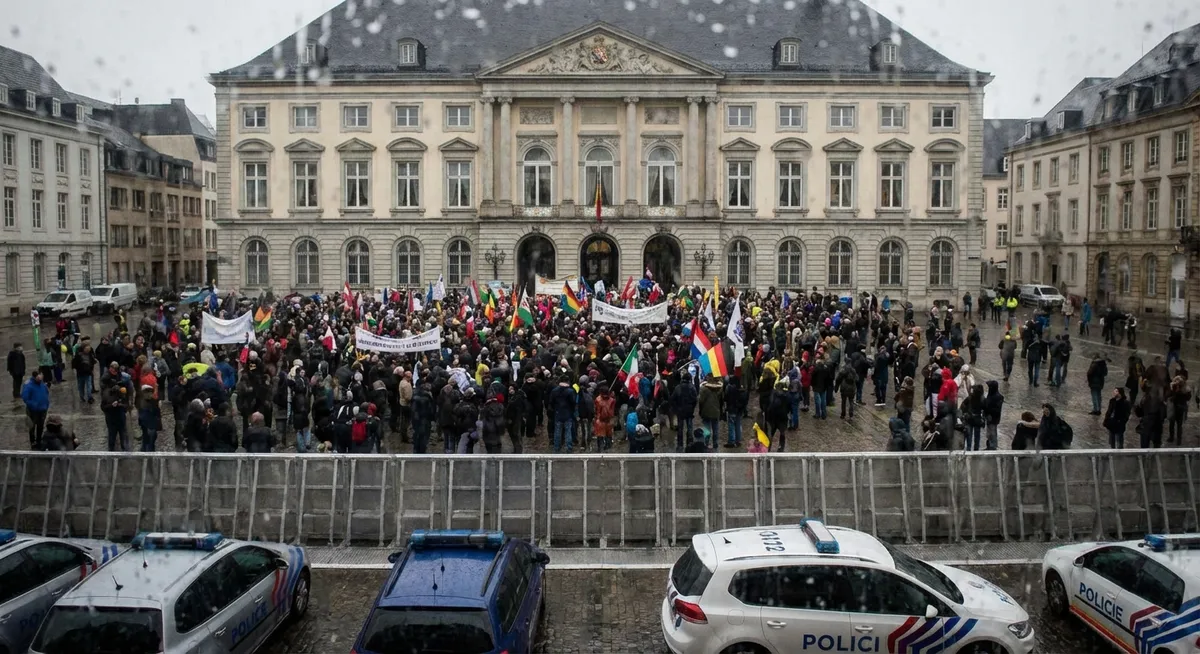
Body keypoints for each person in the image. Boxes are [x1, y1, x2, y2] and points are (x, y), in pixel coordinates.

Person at [100, 375, 131, 451]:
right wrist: (111, 405)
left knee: (122, 435)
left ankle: (124, 450)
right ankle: (111, 451)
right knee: (112, 436)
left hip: (120, 418)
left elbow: (127, 406)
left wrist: (121, 405)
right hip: (111, 419)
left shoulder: (122, 394)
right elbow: (103, 407)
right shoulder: (106, 395)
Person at [21, 369, 50, 448]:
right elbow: (25, 397)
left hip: (42, 409)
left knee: (40, 426)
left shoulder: (42, 384)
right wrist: (34, 405)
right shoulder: (29, 385)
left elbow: (46, 394)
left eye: (41, 375)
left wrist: (47, 404)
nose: (41, 376)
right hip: (33, 410)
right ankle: (33, 441)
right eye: (40, 375)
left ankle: (39, 440)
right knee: (32, 426)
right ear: (36, 376)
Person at [549, 376, 578, 454]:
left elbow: (551, 402)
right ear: (567, 381)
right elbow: (573, 402)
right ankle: (569, 447)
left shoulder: (554, 391)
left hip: (558, 413)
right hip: (568, 413)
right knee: (568, 431)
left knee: (557, 432)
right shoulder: (570, 391)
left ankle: (556, 448)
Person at [723, 376, 747, 448]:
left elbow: (726, 398)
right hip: (740, 409)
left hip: (732, 409)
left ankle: (731, 441)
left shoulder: (730, 388)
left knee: (731, 425)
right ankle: (738, 440)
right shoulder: (743, 389)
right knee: (738, 424)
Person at [1167, 375, 1192, 445]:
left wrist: (1176, 391)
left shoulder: (1184, 390)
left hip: (1179, 408)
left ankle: (1176, 439)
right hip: (1177, 408)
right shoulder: (1178, 388)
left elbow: (1187, 398)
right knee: (1175, 424)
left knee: (1177, 425)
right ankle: (1175, 439)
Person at [960, 384, 986, 451]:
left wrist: (964, 414)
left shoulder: (970, 398)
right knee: (976, 436)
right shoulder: (982, 399)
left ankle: (969, 449)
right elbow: (985, 410)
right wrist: (983, 418)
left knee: (969, 436)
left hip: (969, 419)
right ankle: (976, 450)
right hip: (977, 419)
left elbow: (962, 406)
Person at [983, 380, 1004, 450]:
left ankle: (993, 446)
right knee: (989, 432)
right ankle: (990, 445)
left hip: (993, 418)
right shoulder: (991, 395)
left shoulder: (998, 397)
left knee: (992, 432)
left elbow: (997, 410)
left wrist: (988, 409)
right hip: (989, 417)